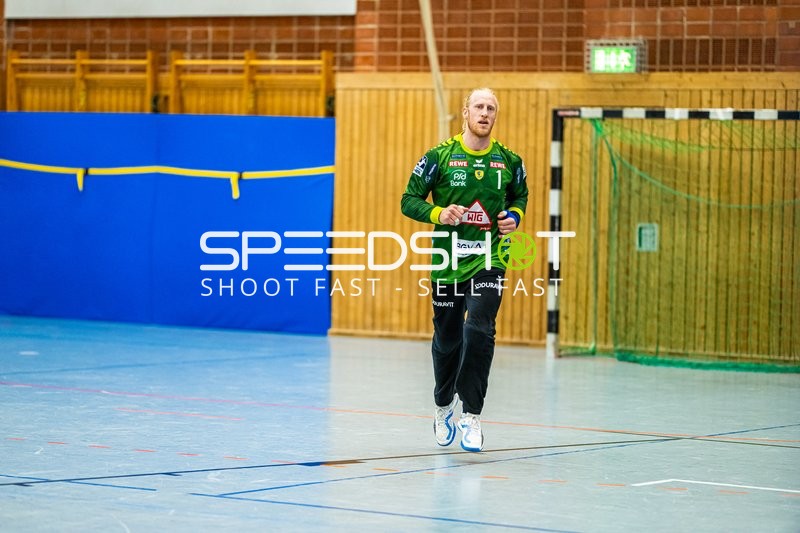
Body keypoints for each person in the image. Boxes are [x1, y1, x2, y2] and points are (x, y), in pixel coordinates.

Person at [400, 88, 528, 452]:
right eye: (479, 107)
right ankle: (443, 406)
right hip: (447, 262)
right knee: (447, 341)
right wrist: (439, 213)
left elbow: (520, 195)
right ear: (465, 112)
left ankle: (472, 414)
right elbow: (408, 200)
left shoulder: (509, 160)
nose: (485, 113)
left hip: (490, 258)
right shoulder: (439, 156)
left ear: (495, 116)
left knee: (479, 329)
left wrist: (514, 217)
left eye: (491, 109)